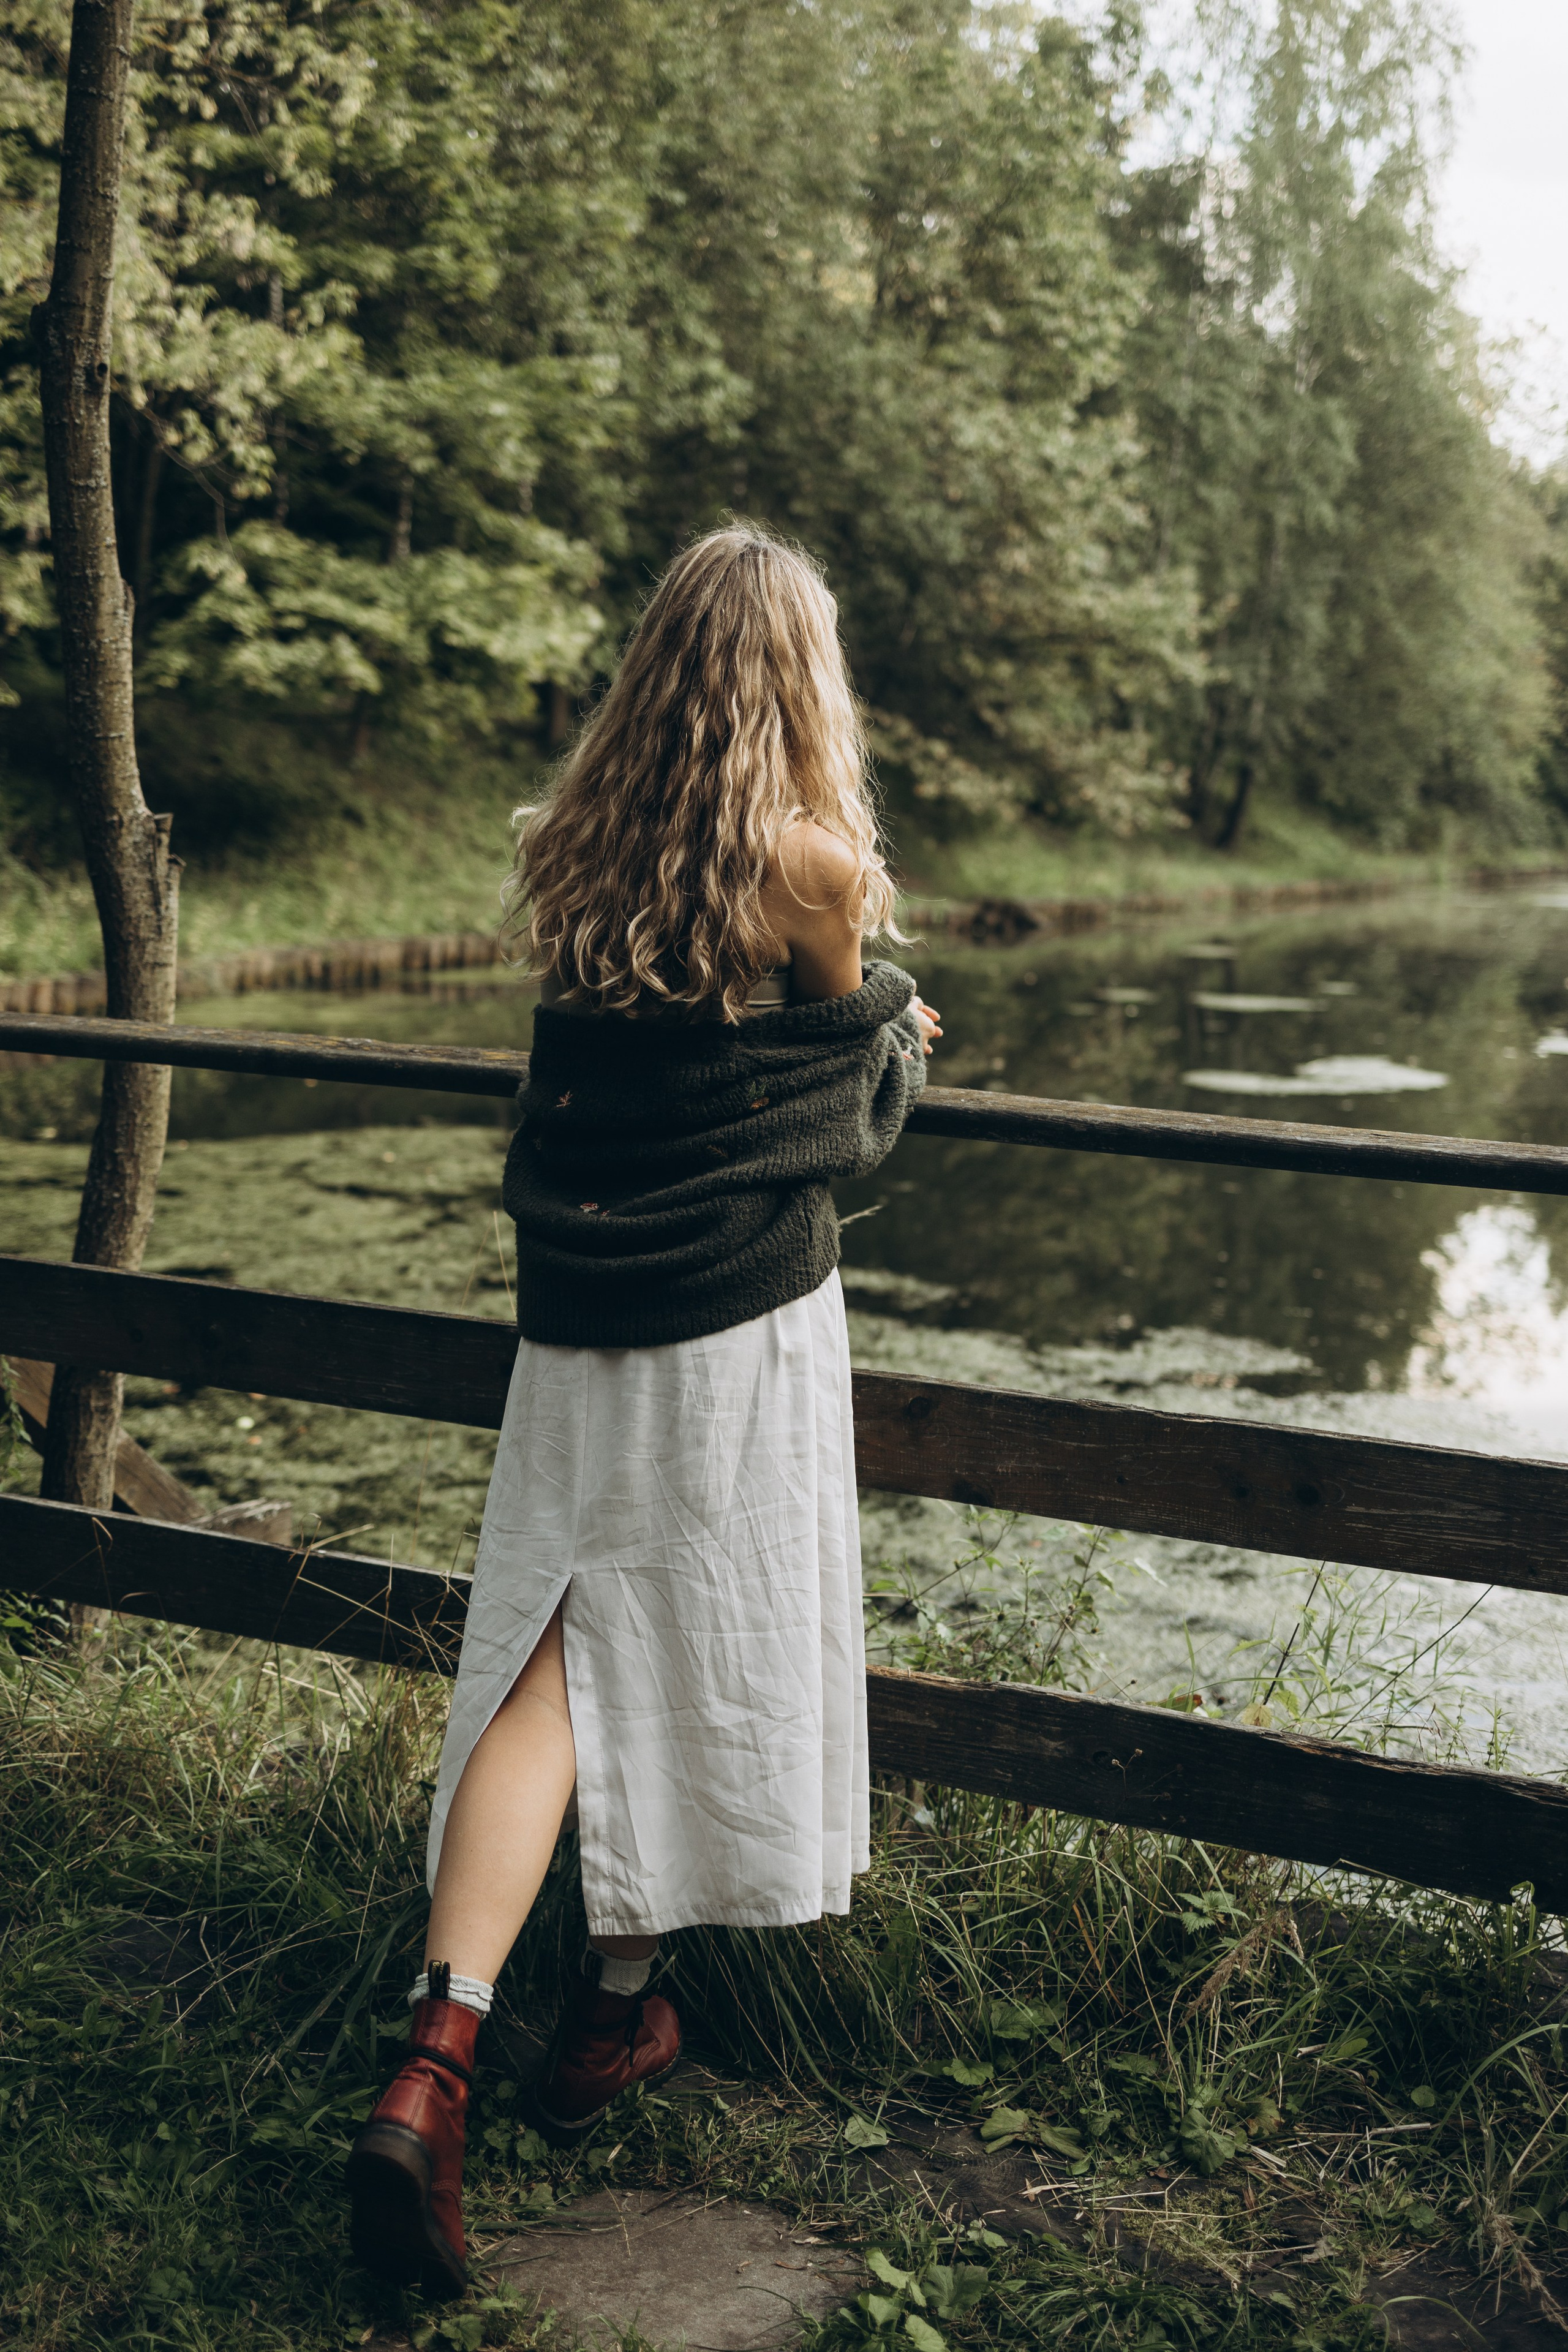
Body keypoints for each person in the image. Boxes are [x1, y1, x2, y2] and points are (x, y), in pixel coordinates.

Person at [345, 524, 940, 2297]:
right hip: (731, 1332)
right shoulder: (813, 869)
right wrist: (901, 1020)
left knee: (557, 1660)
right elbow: (845, 1101)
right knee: (686, 1645)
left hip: (576, 1322)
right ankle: (606, 2016)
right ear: (798, 678)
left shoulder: (579, 847)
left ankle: (438, 2060)